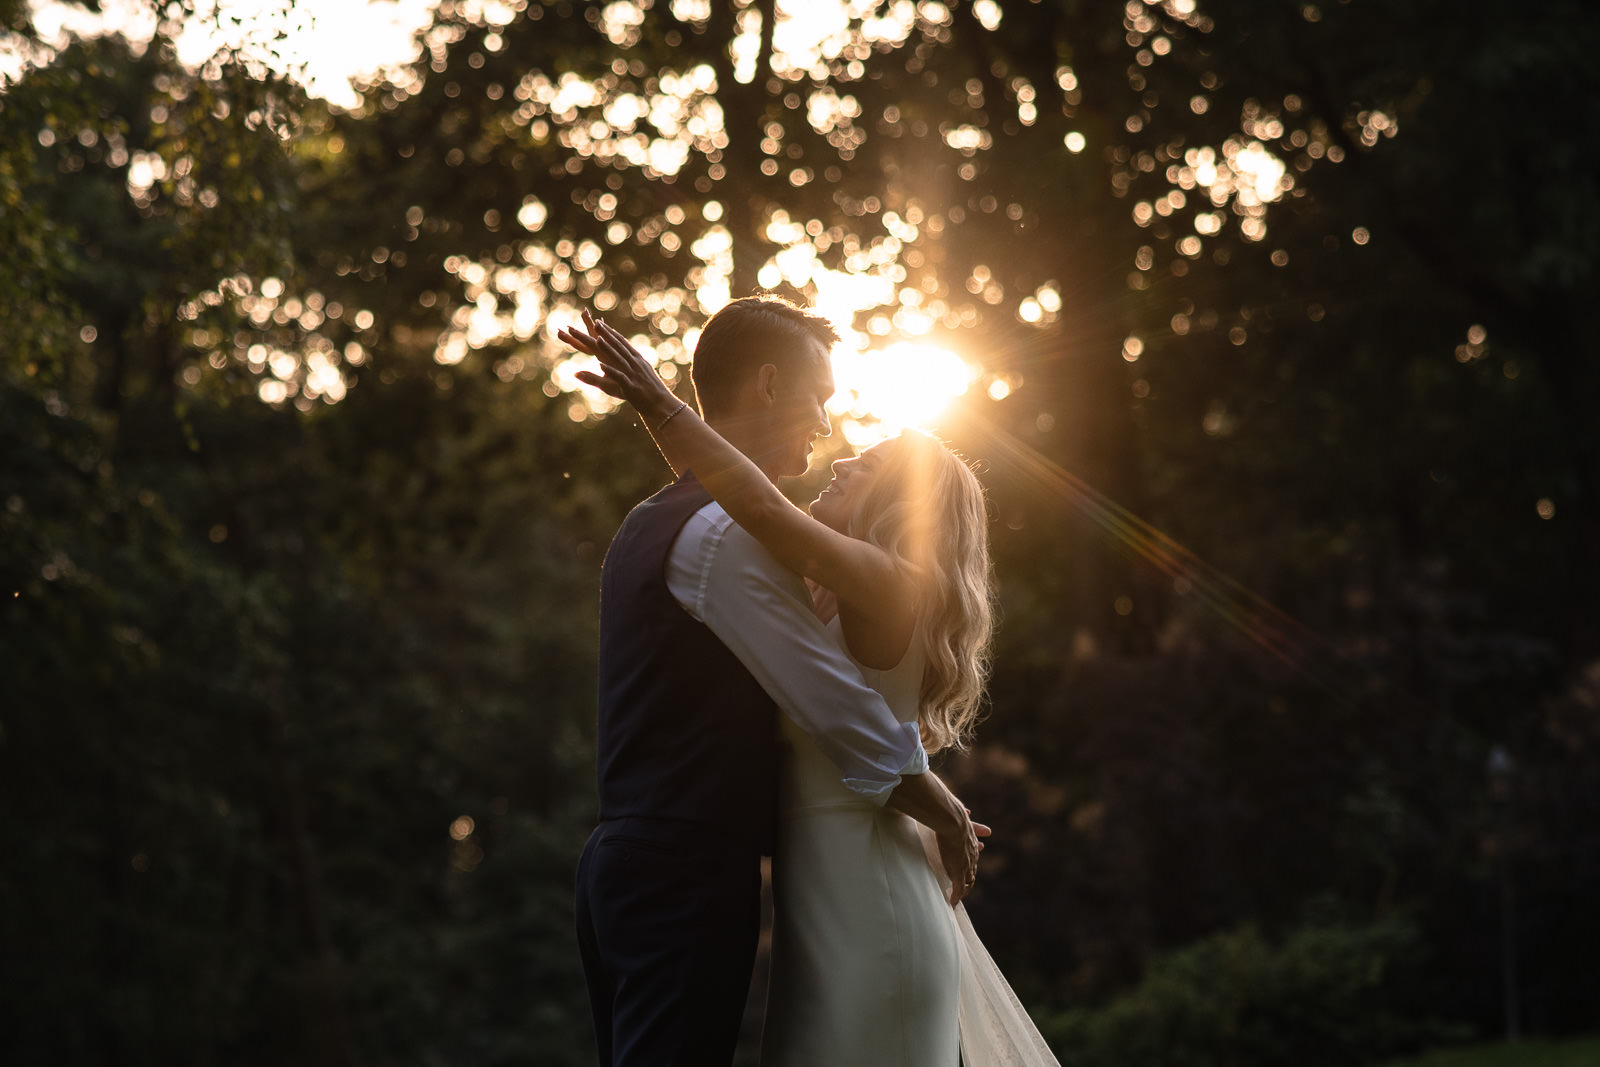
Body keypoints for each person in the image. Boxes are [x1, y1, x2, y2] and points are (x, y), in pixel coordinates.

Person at [565, 297, 1062, 1067]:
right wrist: (926, 788)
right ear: (769, 383)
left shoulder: (841, 568)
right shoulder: (735, 538)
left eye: (864, 464)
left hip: (823, 883)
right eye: (822, 399)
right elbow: (746, 516)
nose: (832, 437)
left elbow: (752, 516)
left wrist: (661, 404)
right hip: (731, 879)